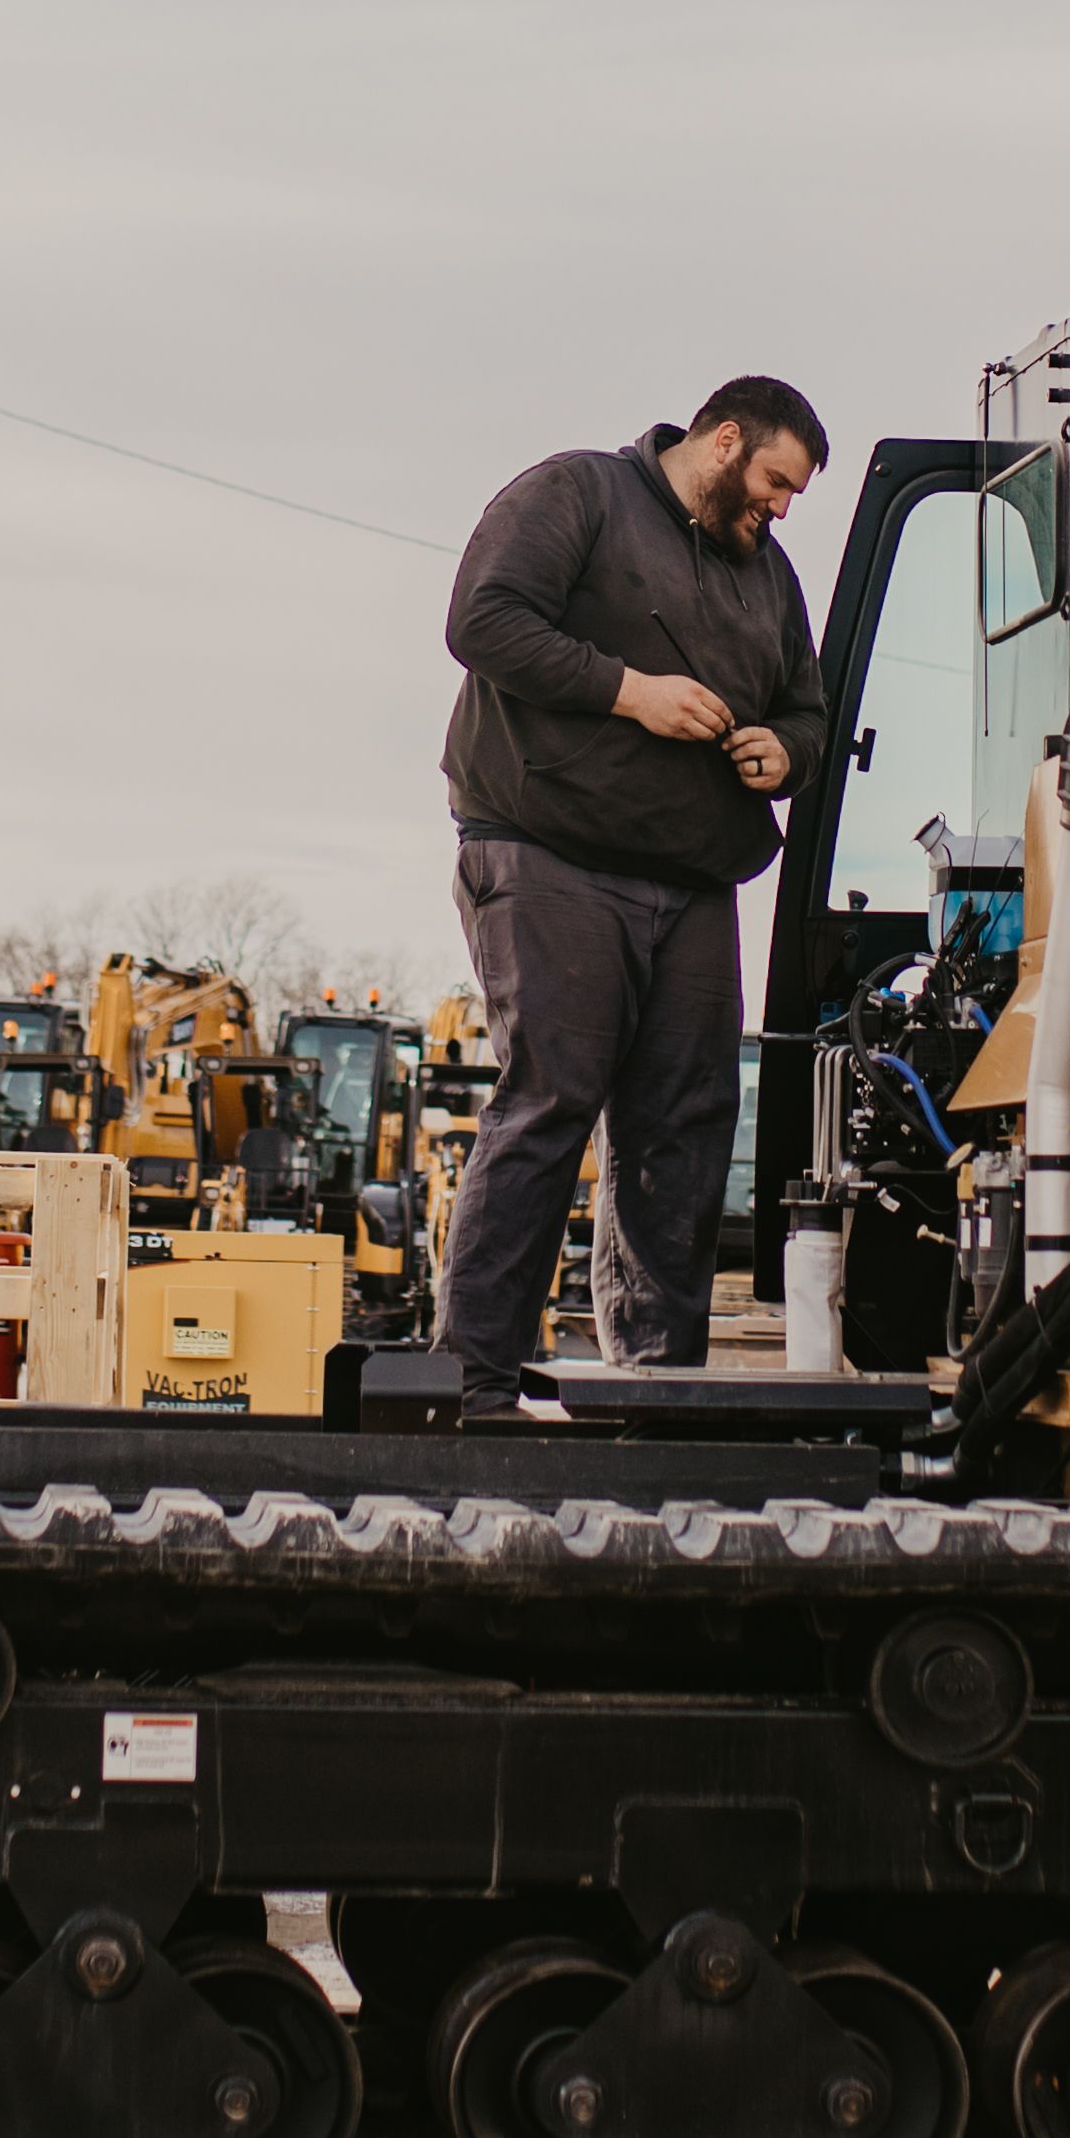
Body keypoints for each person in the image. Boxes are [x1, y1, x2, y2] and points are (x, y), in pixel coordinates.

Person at [431, 379, 835, 1416]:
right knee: (552, 1096)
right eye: (775, 481)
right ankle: (467, 1381)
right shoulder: (577, 494)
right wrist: (629, 691)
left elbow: (809, 709)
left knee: (683, 1125)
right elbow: (481, 620)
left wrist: (780, 749)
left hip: (693, 879)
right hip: (546, 849)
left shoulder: (769, 577)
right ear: (725, 439)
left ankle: (656, 1385)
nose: (781, 507)